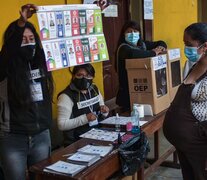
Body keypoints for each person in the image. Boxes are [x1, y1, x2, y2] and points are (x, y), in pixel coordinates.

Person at [0, 4, 54, 180]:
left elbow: (66, 43)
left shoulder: (42, 62)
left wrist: (91, 13)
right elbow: (8, 51)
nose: (29, 42)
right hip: (13, 138)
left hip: (41, 135)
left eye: (32, 38)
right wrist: (21, 23)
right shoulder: (4, 67)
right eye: (23, 39)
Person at [163, 22, 207, 180]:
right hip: (184, 143)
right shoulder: (192, 64)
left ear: (205, 46)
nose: (186, 49)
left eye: (189, 44)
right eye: (184, 44)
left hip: (199, 142)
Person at [115, 20, 167, 111]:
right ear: (124, 34)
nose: (132, 34)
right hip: (127, 93)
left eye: (135, 31)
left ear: (139, 33)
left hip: (143, 89)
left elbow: (161, 42)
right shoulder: (123, 48)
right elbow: (133, 54)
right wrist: (153, 52)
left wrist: (161, 47)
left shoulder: (142, 44)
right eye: (129, 31)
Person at [57, 64, 109, 146]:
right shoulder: (66, 96)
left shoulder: (94, 89)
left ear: (92, 77)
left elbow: (102, 112)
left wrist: (104, 111)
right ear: (74, 76)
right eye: (79, 75)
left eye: (88, 76)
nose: (84, 79)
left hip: (97, 134)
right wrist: (85, 118)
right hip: (77, 141)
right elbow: (61, 125)